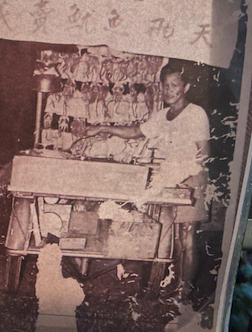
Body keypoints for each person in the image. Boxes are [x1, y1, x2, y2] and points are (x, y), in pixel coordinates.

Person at [83, 62, 209, 302]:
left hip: (192, 177)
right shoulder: (162, 116)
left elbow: (204, 153)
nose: (170, 90)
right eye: (166, 85)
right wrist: (102, 128)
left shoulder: (196, 113)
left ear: (186, 87)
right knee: (172, 235)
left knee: (187, 235)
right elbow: (135, 132)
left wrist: (185, 175)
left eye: (175, 85)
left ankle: (185, 290)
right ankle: (173, 282)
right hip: (171, 178)